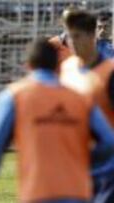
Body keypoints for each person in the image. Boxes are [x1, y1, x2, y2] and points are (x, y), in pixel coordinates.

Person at [0, 38, 114, 203]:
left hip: (37, 192)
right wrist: (82, 161)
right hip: (78, 192)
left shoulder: (15, 96)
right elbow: (109, 142)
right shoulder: (80, 99)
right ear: (57, 66)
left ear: (28, 66)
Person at [60, 10, 114, 203]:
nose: (72, 42)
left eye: (77, 36)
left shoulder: (109, 69)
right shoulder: (68, 69)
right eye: (69, 36)